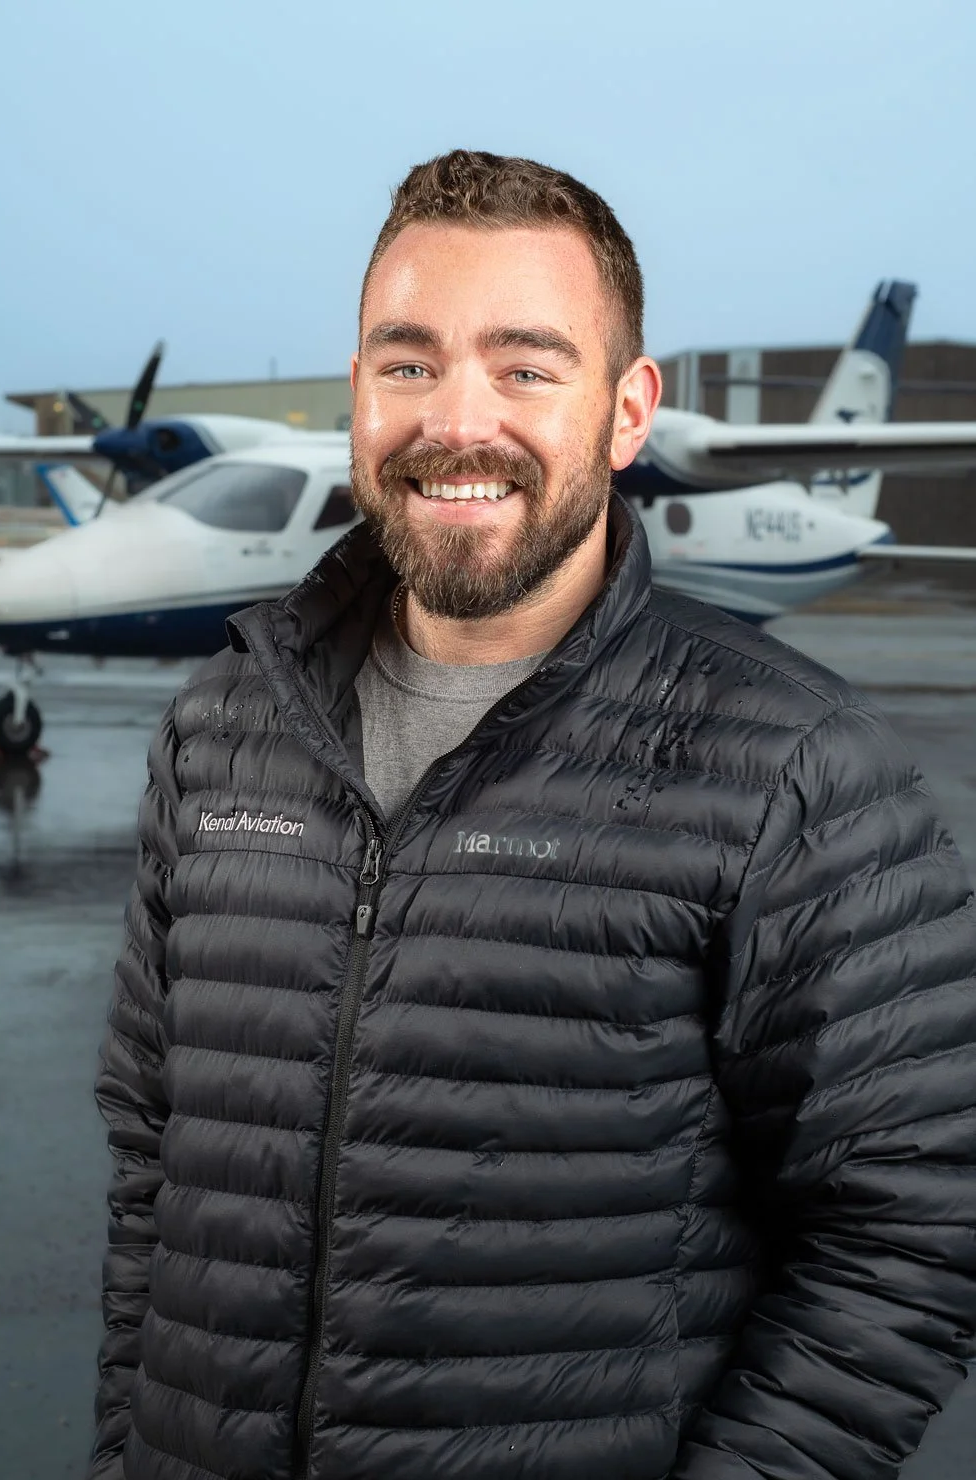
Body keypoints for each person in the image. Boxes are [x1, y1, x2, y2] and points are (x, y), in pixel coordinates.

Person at [91, 149, 976, 1480]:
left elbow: (908, 1232)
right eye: (407, 362)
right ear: (358, 394)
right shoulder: (217, 733)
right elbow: (155, 1180)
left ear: (627, 414)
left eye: (524, 366)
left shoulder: (801, 765)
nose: (456, 419)